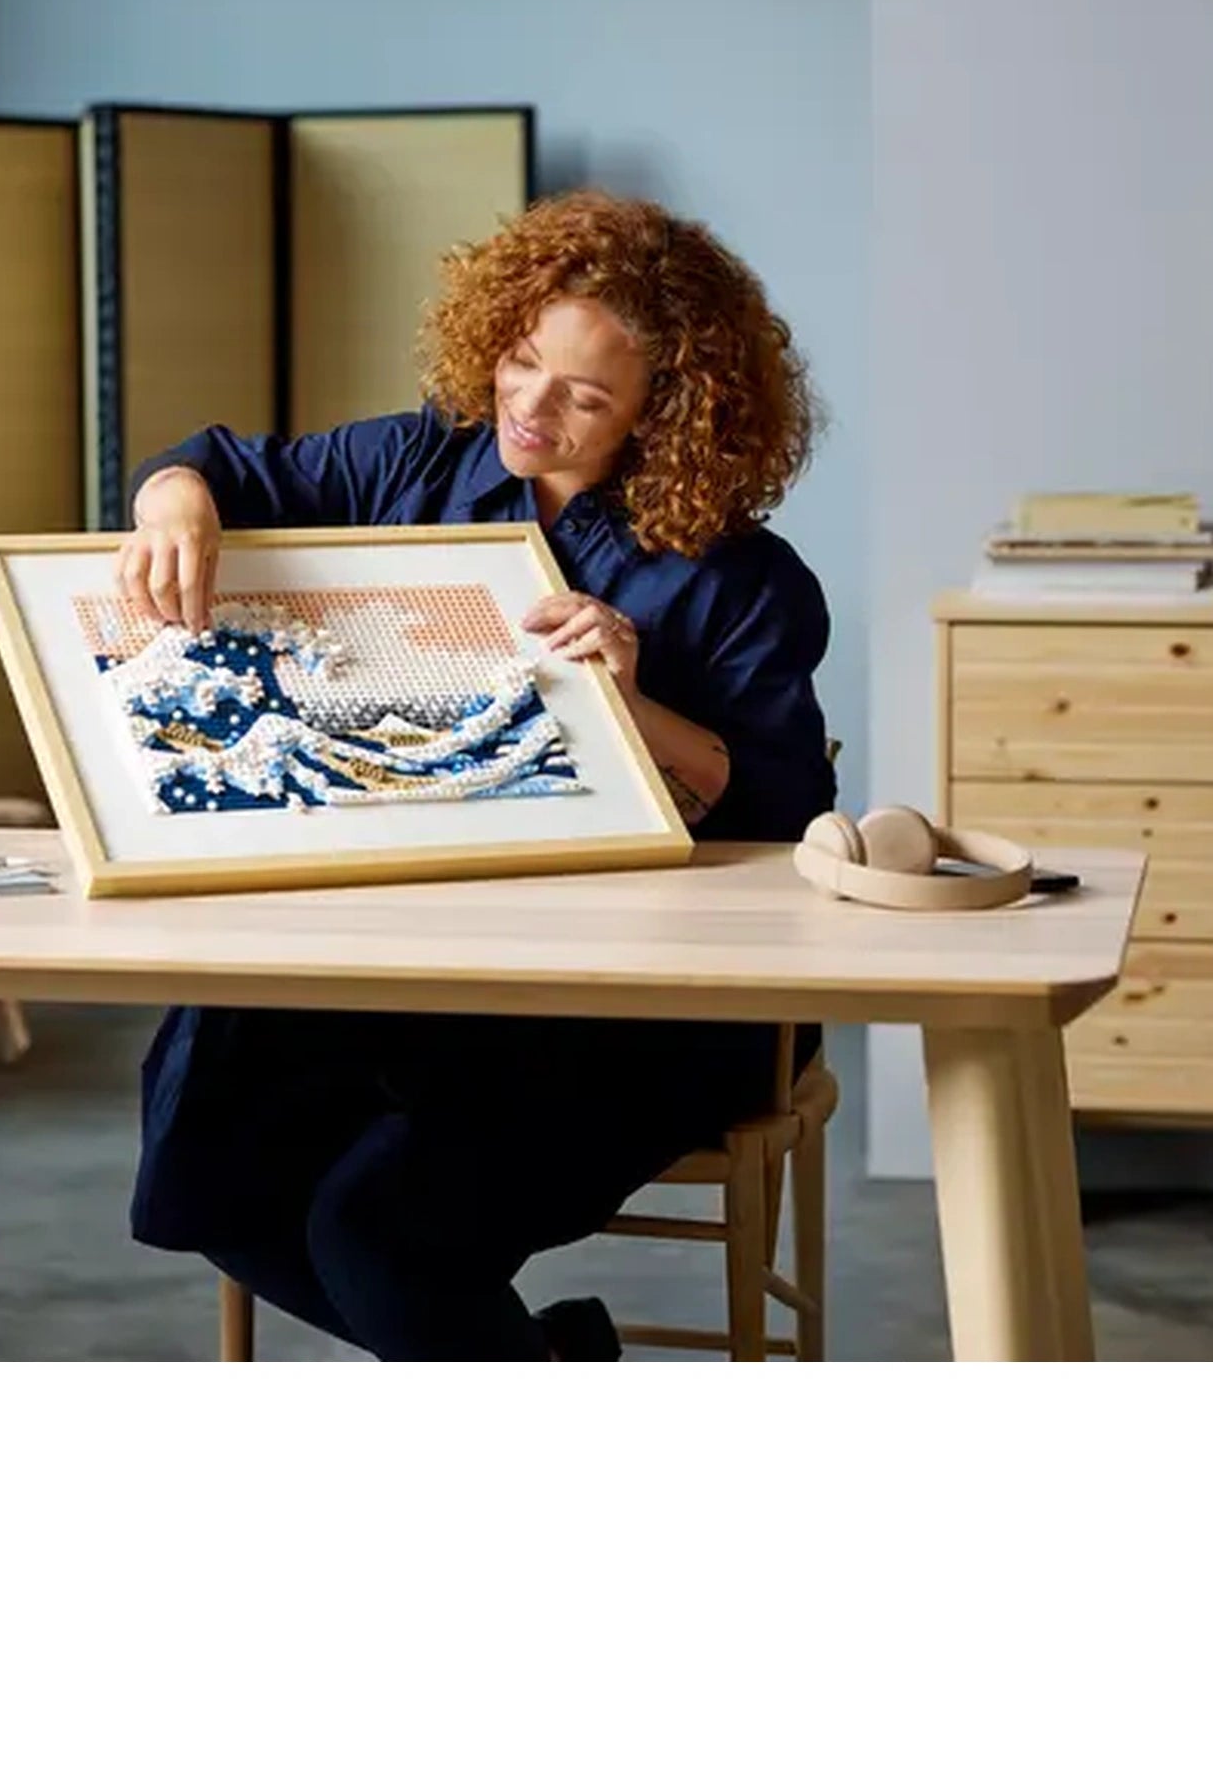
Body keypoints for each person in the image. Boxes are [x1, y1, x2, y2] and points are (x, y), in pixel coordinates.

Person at [112, 188, 837, 1361]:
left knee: (374, 1229)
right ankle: (545, 1361)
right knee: (200, 1183)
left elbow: (788, 832)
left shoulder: (742, 580)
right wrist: (173, 505)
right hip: (427, 965)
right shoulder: (413, 460)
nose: (530, 409)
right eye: (518, 359)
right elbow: (210, 467)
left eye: (586, 395)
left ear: (669, 412)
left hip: (648, 1005)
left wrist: (635, 707)